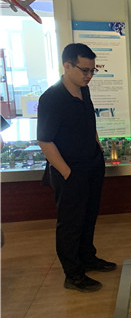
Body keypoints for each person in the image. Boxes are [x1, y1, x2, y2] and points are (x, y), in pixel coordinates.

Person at [37, 43, 116, 293]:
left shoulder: (84, 90)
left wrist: (97, 145)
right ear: (67, 65)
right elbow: (45, 141)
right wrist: (67, 173)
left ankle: (87, 258)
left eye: (93, 70)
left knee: (89, 216)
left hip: (92, 164)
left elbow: (88, 121)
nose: (89, 75)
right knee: (71, 223)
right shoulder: (51, 98)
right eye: (84, 70)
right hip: (70, 170)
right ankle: (73, 274)